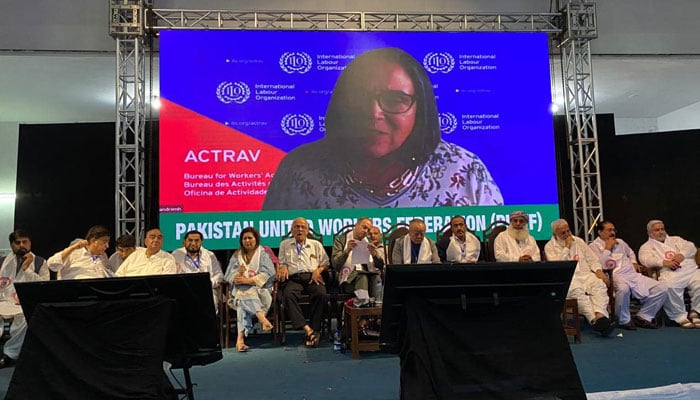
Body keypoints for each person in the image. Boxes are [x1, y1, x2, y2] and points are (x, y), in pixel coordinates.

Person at [263, 47, 503, 210]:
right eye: (358, 98)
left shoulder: (465, 171)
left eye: (395, 99)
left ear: (422, 108)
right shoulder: (298, 171)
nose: (373, 113)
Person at [589, 221, 667, 329]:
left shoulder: (620, 242)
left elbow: (630, 253)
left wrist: (634, 262)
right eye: (609, 230)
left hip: (631, 274)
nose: (612, 233)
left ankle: (644, 316)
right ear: (600, 232)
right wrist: (607, 248)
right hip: (614, 275)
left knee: (662, 288)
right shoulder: (593, 246)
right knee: (623, 289)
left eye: (613, 230)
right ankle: (623, 319)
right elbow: (600, 265)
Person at [545, 219, 613, 336]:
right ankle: (594, 320)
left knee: (599, 284)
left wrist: (598, 271)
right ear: (555, 234)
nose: (567, 235)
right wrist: (566, 247)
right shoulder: (549, 247)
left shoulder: (578, 241)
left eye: (568, 231)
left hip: (585, 275)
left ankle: (600, 316)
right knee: (577, 292)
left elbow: (592, 259)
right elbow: (559, 266)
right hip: (568, 279)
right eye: (563, 233)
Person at [276, 217, 330, 348]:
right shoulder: (285, 244)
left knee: (321, 294)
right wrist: (281, 267)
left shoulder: (315, 244)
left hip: (312, 277)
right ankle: (308, 329)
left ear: (307, 230)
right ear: (292, 230)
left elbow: (326, 263)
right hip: (294, 278)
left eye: (303, 227)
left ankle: (315, 329)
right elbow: (281, 263)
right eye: (297, 227)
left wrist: (318, 270)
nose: (300, 229)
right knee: (288, 295)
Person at [0, 230, 49, 369]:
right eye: (17, 242)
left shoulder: (40, 262)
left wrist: (28, 270)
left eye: (25, 242)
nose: (21, 245)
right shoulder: (2, 262)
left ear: (30, 243)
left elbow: (42, 287)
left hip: (24, 303)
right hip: (3, 301)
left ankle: (9, 355)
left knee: (27, 317)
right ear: (11, 245)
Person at [638, 220, 700, 328]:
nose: (661, 232)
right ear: (649, 233)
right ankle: (680, 316)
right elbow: (645, 259)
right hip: (667, 271)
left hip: (689, 269)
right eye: (657, 230)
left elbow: (691, 247)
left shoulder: (676, 240)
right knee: (669, 285)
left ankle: (696, 311)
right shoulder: (646, 246)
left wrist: (681, 255)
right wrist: (664, 262)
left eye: (662, 229)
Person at [224, 227, 274, 352]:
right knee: (244, 292)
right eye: (244, 238)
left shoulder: (263, 254)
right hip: (240, 290)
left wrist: (249, 281)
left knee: (243, 298)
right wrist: (238, 276)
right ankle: (261, 317)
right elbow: (228, 275)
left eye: (250, 238)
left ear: (256, 239)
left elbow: (269, 273)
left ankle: (240, 339)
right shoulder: (237, 255)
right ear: (241, 241)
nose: (247, 241)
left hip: (260, 290)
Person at [332, 217, 384, 300]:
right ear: (356, 225)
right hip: (349, 278)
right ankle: (363, 307)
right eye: (364, 227)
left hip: (369, 274)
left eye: (368, 229)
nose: (366, 231)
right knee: (362, 276)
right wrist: (347, 251)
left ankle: (377, 308)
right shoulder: (341, 239)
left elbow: (380, 265)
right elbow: (335, 264)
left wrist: (374, 254)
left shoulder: (369, 240)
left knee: (377, 278)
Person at [171, 230, 224, 311]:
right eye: (190, 240)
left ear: (201, 242)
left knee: (209, 305)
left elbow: (219, 275)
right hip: (184, 290)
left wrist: (210, 282)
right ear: (184, 242)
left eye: (196, 240)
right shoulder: (176, 254)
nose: (193, 243)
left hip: (206, 290)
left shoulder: (210, 255)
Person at [47, 225, 112, 279]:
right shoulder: (73, 252)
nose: (107, 246)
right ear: (93, 240)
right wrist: (72, 248)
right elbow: (52, 265)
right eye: (104, 242)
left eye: (108, 242)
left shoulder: (103, 256)